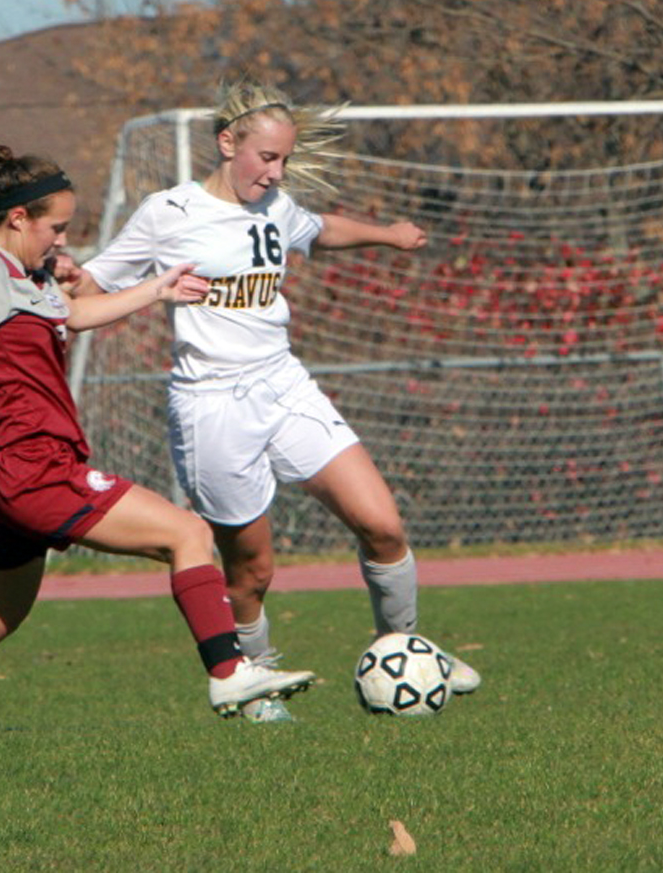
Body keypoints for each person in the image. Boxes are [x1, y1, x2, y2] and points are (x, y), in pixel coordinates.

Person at [0, 143, 316, 739]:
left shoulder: (25, 277)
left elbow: (73, 316)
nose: (61, 240)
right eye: (55, 227)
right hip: (35, 467)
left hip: (3, 473)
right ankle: (229, 671)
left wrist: (157, 290)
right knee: (190, 534)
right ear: (19, 217)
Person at [71, 83, 481, 723]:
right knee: (251, 572)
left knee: (383, 524)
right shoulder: (168, 212)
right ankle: (255, 686)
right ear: (227, 143)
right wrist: (120, 288)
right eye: (266, 157)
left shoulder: (277, 206)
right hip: (212, 404)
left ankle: (405, 647)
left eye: (284, 160)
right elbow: (88, 290)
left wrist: (389, 235)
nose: (275, 172)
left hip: (284, 383)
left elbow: (319, 229)